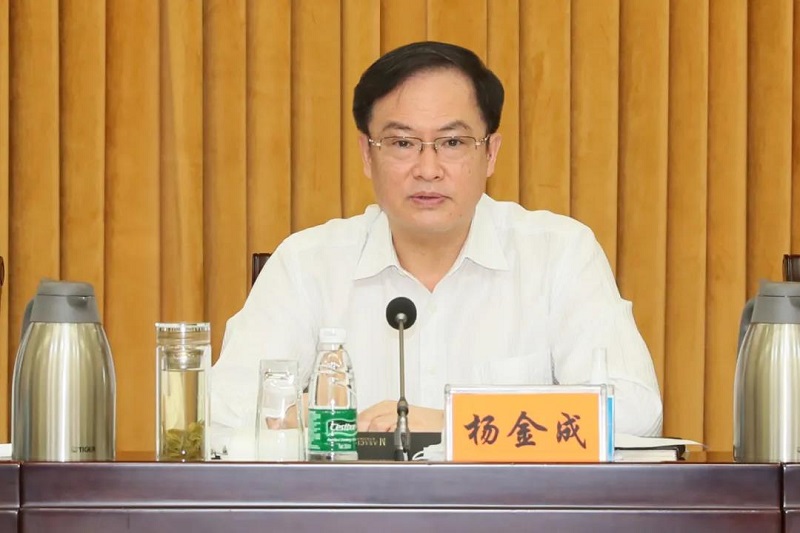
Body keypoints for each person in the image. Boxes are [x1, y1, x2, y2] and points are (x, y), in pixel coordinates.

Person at [211, 41, 662, 438]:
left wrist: (456, 424)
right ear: (367, 154)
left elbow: (633, 412)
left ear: (490, 153)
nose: (428, 169)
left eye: (452, 143)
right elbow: (225, 409)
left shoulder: (559, 253)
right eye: (402, 143)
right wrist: (336, 422)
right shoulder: (307, 263)